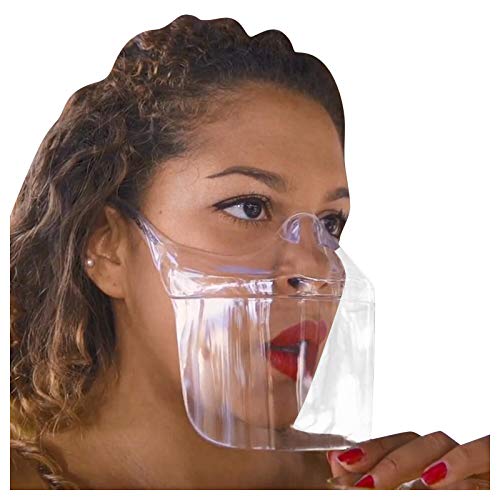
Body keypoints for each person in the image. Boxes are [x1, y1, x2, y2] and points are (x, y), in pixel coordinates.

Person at [10, 14, 489, 490]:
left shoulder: (369, 483)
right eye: (250, 207)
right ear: (107, 247)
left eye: (329, 223)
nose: (317, 267)